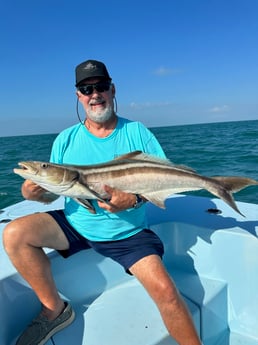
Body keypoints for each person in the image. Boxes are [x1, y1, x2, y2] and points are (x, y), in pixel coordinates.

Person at [3, 59, 202, 345]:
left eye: (100, 86)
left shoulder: (137, 132)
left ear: (112, 89)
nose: (94, 94)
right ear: (78, 96)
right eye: (86, 89)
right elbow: (58, 189)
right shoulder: (65, 139)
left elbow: (164, 180)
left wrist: (132, 200)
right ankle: (54, 309)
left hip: (127, 233)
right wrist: (36, 193)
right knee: (15, 234)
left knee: (167, 293)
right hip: (76, 224)